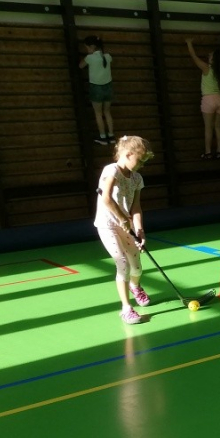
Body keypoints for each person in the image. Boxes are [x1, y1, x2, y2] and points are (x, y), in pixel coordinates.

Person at [95, 136, 154, 324]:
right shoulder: (111, 170)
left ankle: (135, 287)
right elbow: (106, 199)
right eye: (140, 160)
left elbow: (136, 207)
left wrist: (140, 229)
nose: (141, 165)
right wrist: (122, 218)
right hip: (107, 225)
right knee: (123, 264)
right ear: (128, 154)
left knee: (136, 267)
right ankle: (126, 309)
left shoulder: (137, 178)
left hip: (126, 226)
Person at [185, 38, 220, 159]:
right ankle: (219, 151)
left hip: (209, 100)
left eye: (210, 55)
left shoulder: (207, 68)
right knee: (218, 126)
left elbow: (194, 57)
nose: (208, 55)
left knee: (208, 127)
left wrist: (189, 43)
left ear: (213, 59)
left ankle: (208, 152)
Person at [79, 35, 114, 144]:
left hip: (96, 88)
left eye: (87, 47)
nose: (87, 50)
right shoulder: (108, 56)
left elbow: (80, 66)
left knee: (98, 113)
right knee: (107, 112)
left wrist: (88, 55)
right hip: (108, 87)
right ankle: (111, 136)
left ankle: (103, 137)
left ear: (92, 46)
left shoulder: (90, 58)